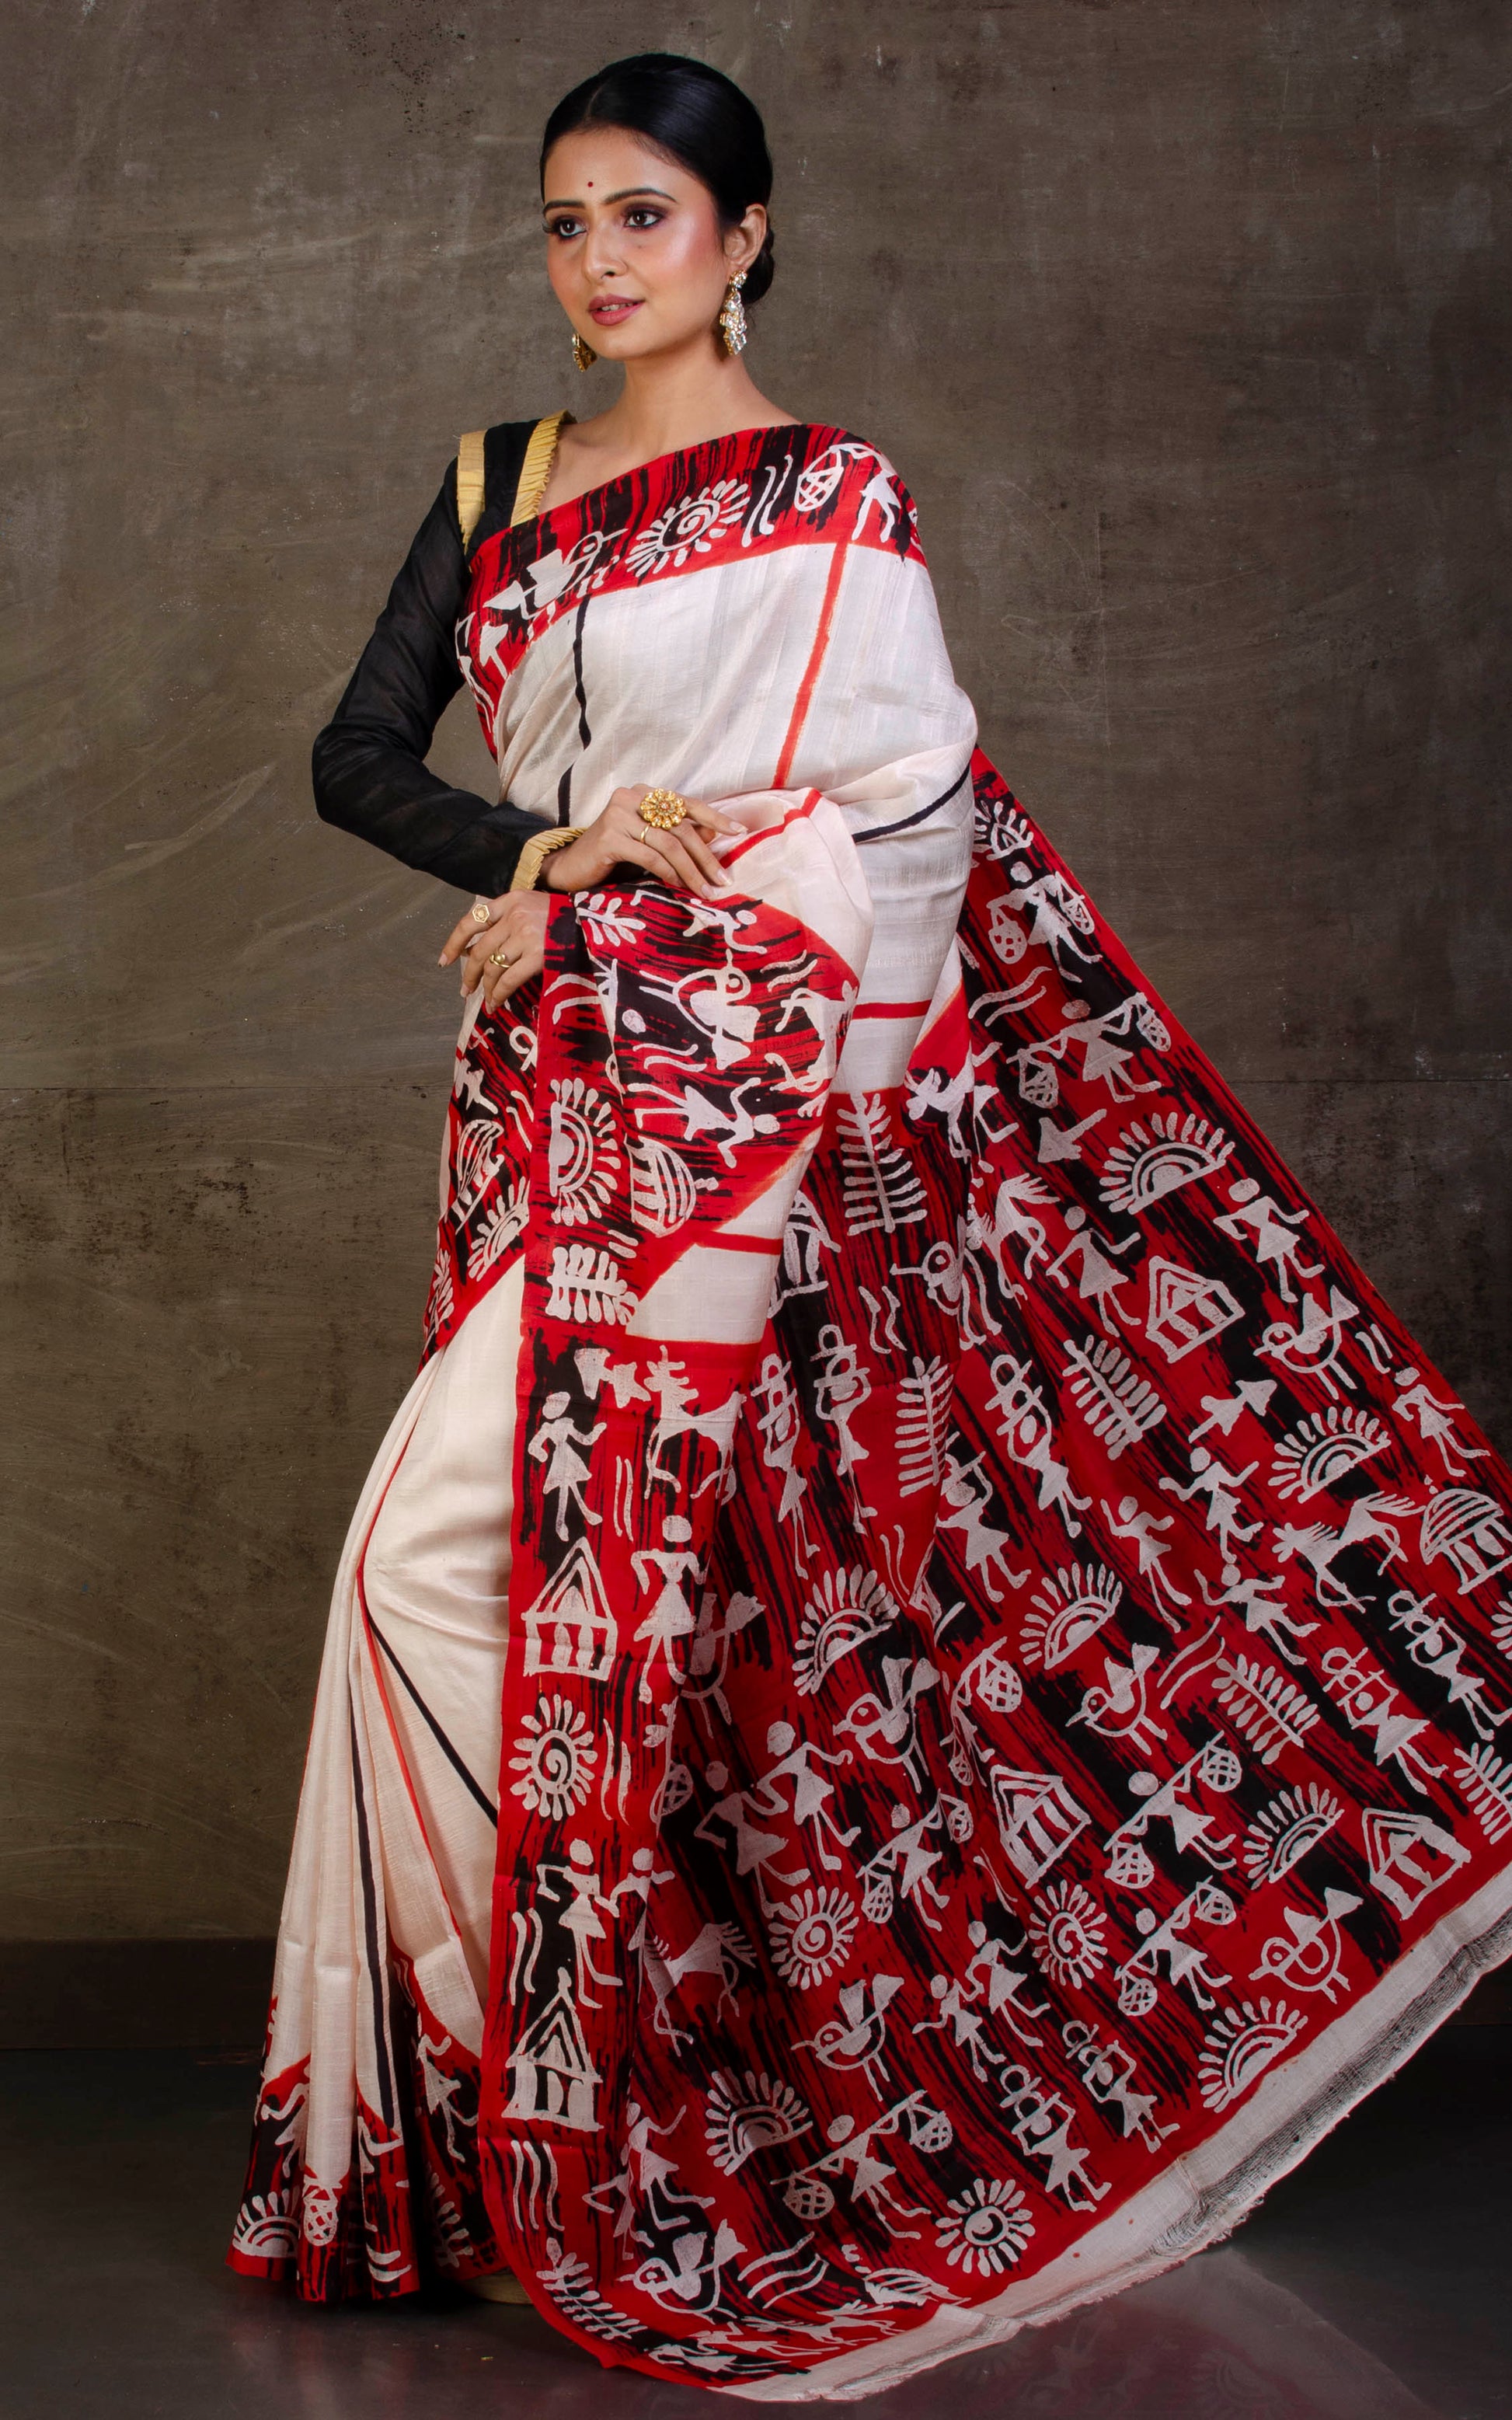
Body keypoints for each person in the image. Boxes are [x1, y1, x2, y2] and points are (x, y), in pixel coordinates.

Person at [231, 51, 1512, 2396]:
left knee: (493, 1575)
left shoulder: (837, 500)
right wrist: (546, 855)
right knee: (529, 1592)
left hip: (739, 1124)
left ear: (744, 237)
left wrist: (623, 923)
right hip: (555, 1103)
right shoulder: (496, 484)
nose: (597, 262)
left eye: (642, 215)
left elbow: (896, 847)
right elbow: (357, 758)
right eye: (563, 222)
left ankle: (563, 2132)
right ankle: (522, 2129)